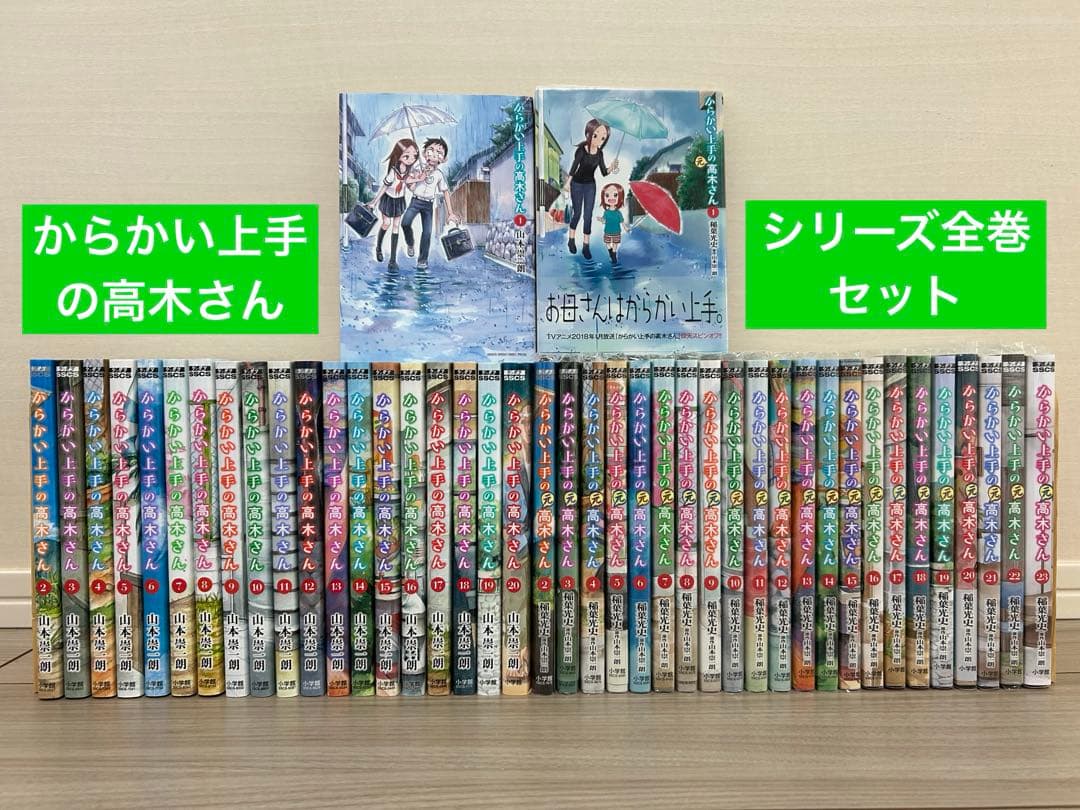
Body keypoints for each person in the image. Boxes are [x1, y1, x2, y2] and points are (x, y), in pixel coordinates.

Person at [564, 118, 619, 260]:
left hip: (590, 185)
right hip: (576, 184)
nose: (599, 140)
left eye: (603, 138)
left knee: (588, 215)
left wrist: (612, 167)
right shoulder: (581, 150)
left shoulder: (600, 154)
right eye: (596, 135)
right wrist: (567, 184)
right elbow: (573, 168)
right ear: (588, 134)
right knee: (577, 213)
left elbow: (604, 172)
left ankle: (586, 246)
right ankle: (571, 239)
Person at [402, 137, 461, 270]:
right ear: (424, 153)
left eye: (439, 153)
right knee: (405, 223)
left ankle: (422, 260)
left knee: (427, 233)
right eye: (431, 150)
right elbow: (407, 181)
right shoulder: (418, 168)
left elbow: (445, 192)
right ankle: (410, 243)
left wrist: (450, 213)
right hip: (416, 201)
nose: (434, 154)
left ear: (443, 159)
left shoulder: (439, 175)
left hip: (428, 205)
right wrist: (418, 178)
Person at [367, 138, 419, 270]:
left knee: (396, 226)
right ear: (398, 155)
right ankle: (378, 248)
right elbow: (384, 187)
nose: (411, 159)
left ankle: (392, 260)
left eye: (414, 156)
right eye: (407, 156)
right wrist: (374, 202)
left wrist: (417, 179)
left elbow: (412, 189)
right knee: (386, 224)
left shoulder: (410, 172)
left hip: (399, 201)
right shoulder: (393, 172)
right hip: (388, 200)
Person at [596, 182, 628, 264]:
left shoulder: (618, 213)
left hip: (616, 231)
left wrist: (626, 228)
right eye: (607, 195)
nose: (611, 198)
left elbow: (622, 221)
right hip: (607, 231)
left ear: (620, 198)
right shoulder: (606, 212)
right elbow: (604, 221)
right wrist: (600, 219)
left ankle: (613, 254)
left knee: (615, 243)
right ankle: (611, 252)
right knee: (607, 243)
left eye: (615, 195)